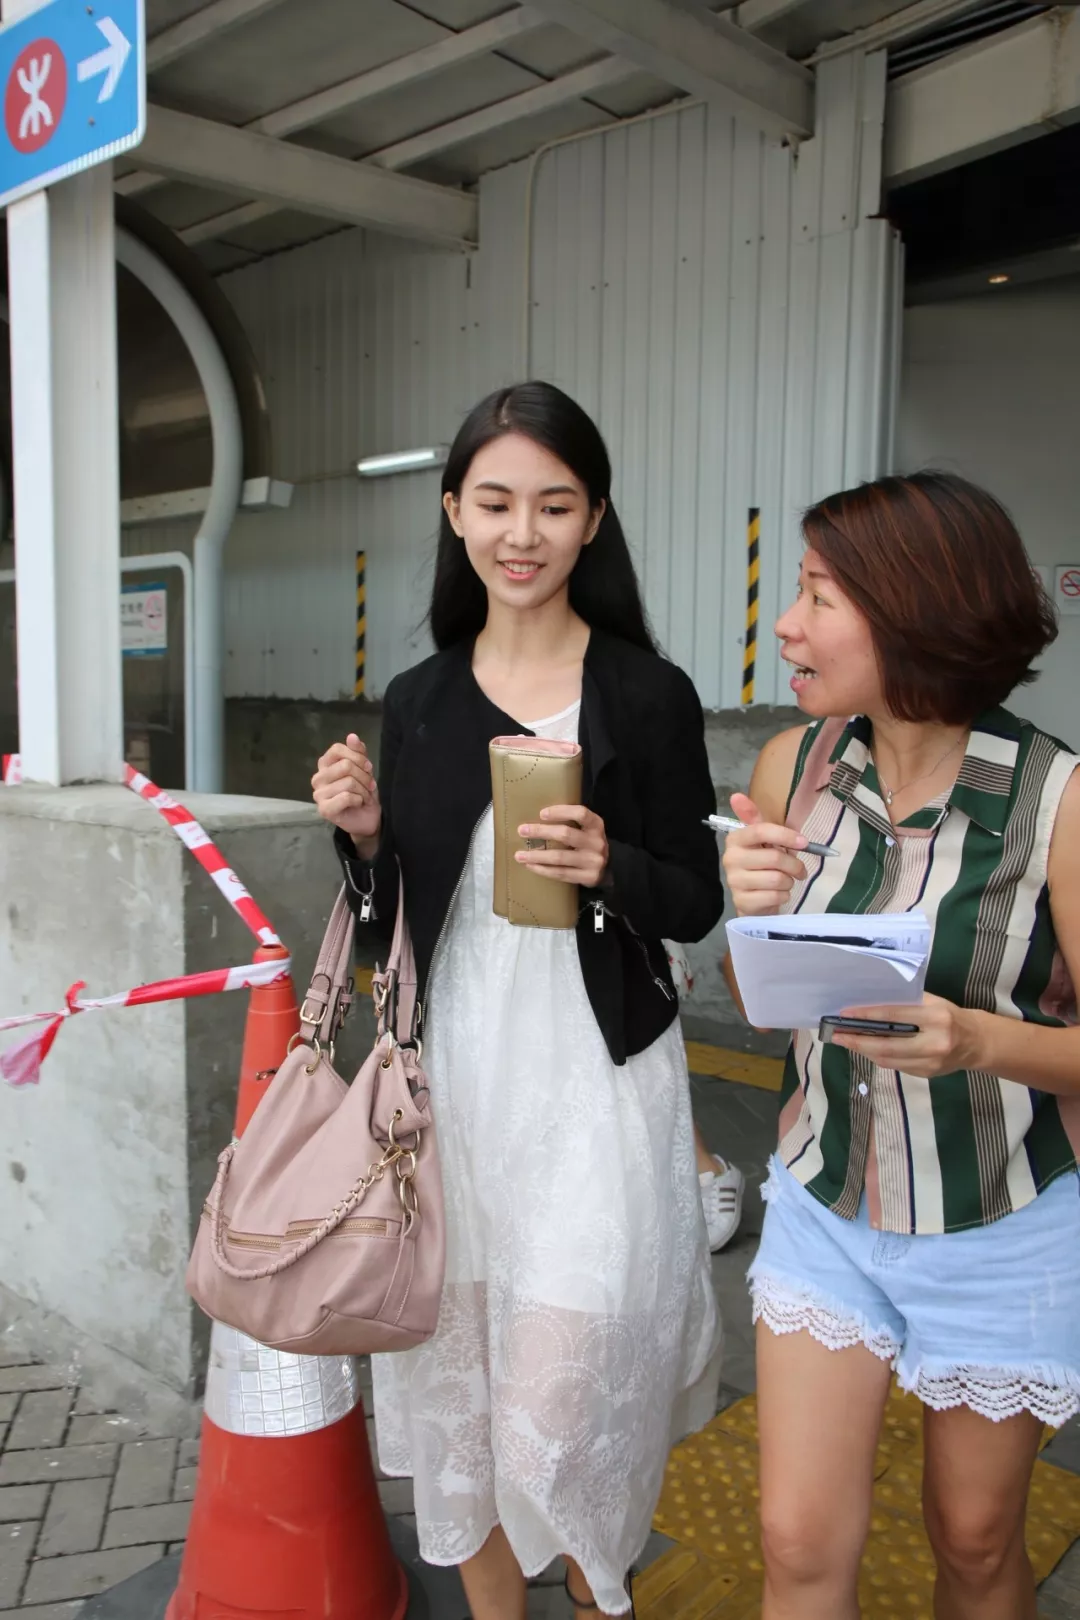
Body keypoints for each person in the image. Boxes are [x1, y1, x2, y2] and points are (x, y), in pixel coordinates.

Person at [311, 381, 723, 1620]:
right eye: (495, 502)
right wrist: (369, 836)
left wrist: (615, 866)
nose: (523, 531)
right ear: (455, 511)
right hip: (459, 1090)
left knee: (569, 1393)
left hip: (598, 1087)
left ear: (594, 520)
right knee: (463, 1412)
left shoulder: (648, 693)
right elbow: (392, 927)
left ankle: (601, 1595)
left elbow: (694, 900)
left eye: (554, 503)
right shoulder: (421, 702)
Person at [720, 470, 1080, 1620]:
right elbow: (765, 997)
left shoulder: (1057, 803)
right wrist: (747, 903)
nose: (788, 623)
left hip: (1002, 1221)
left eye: (821, 595)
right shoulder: (798, 767)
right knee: (794, 1540)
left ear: (916, 610)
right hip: (828, 1197)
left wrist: (980, 1040)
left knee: (973, 1543)